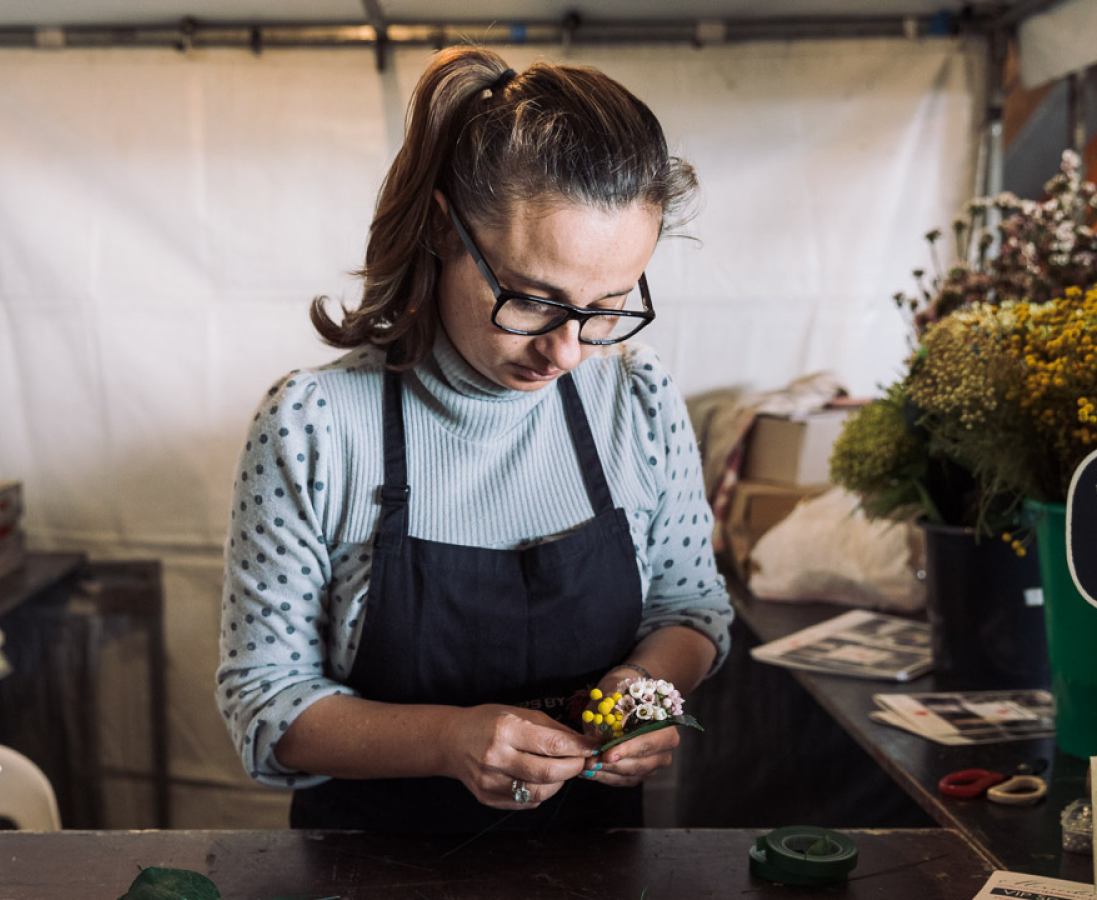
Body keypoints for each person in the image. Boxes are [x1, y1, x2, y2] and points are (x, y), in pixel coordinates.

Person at [217, 45, 732, 832]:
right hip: (368, 868)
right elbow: (265, 703)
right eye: (533, 301)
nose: (568, 352)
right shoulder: (315, 424)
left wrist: (647, 687)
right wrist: (448, 740)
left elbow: (691, 607)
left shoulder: (638, 395)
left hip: (595, 867)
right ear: (441, 230)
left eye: (608, 306)